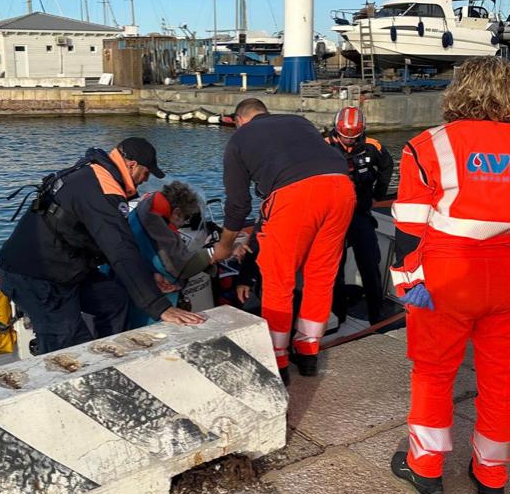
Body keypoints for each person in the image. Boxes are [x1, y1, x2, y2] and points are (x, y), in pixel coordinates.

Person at [389, 57, 510, 494]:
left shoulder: (428, 145)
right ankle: (491, 476)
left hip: (450, 278)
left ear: (459, 91)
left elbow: (410, 224)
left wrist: (406, 280)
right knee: (504, 383)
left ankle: (425, 469)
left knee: (433, 374)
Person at [0, 137, 204, 354]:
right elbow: (121, 250)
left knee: (114, 300)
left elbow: (104, 242)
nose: (145, 179)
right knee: (68, 344)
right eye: (146, 172)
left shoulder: (94, 173)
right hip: (36, 276)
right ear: (132, 165)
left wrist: (149, 277)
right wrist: (160, 307)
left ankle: (110, 356)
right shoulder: (102, 190)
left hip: (68, 266)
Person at [212, 98, 354, 384]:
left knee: (279, 279)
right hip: (342, 188)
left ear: (240, 120)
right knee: (320, 275)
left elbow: (238, 205)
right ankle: (308, 351)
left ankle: (278, 360)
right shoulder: (299, 122)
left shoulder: (239, 138)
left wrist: (225, 245)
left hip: (296, 196)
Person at [326, 106, 394, 326]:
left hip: (360, 214)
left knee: (370, 262)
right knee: (334, 267)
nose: (348, 143)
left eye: (353, 138)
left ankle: (376, 314)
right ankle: (338, 314)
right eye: (344, 137)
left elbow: (387, 166)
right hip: (333, 217)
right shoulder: (322, 146)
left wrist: (378, 195)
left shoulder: (373, 147)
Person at [127, 180, 216, 326]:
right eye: (186, 218)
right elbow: (179, 266)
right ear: (176, 213)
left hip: (135, 277)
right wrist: (213, 252)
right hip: (145, 301)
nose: (183, 223)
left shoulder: (144, 207)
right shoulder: (156, 223)